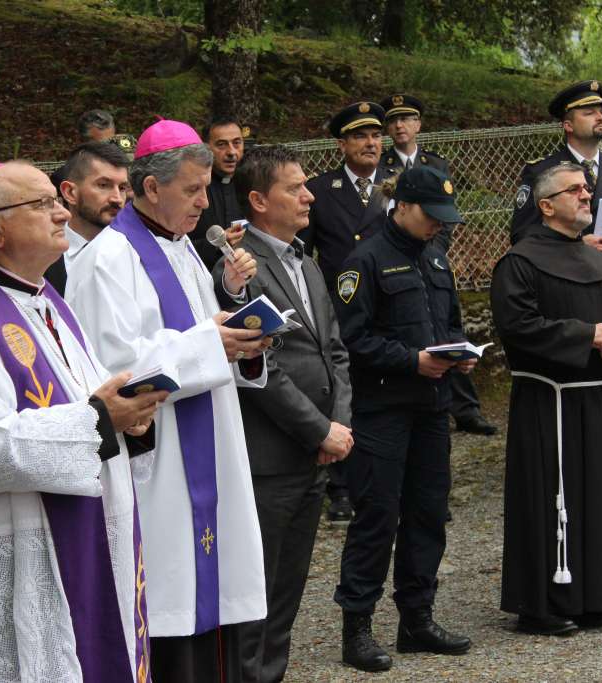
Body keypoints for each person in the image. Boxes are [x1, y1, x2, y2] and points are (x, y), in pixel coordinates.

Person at [0, 161, 164, 681]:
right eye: (42, 204)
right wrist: (100, 420)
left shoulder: (47, 301)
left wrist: (126, 418)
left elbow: (86, 399)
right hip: (5, 549)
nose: (61, 212)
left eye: (56, 201)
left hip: (79, 532)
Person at [65, 119, 271, 683]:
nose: (205, 202)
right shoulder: (108, 258)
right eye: (193, 190)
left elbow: (199, 335)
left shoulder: (182, 249)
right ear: (152, 188)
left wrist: (242, 342)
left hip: (205, 447)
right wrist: (213, 342)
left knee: (210, 611)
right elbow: (116, 368)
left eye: (206, 189)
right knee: (167, 611)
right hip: (159, 465)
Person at [211, 145, 353, 682]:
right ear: (258, 200)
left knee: (288, 593)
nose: (308, 196)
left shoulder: (306, 262)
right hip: (268, 458)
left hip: (313, 454)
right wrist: (319, 429)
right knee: (256, 595)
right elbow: (258, 366)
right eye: (294, 188)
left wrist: (337, 425)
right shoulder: (240, 266)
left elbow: (333, 351)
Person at [333, 166, 474, 672]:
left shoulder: (435, 257)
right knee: (377, 516)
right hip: (384, 409)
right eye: (432, 216)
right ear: (404, 207)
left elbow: (449, 322)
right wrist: (411, 361)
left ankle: (417, 618)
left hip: (432, 407)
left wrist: (459, 353)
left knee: (428, 513)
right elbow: (354, 340)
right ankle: (357, 627)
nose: (439, 225)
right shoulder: (365, 260)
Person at [492, 163, 602, 636]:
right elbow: (518, 326)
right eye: (574, 190)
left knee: (593, 495)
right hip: (546, 399)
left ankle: (593, 595)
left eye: (586, 188)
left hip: (594, 396)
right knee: (547, 496)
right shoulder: (520, 262)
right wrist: (584, 335)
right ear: (546, 206)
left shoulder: (599, 260)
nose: (585, 194)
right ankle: (542, 604)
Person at [379, 93, 496, 437]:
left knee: (447, 330)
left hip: (432, 256)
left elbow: (446, 214)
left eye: (406, 119)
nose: (399, 126)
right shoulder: (382, 165)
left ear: (418, 124)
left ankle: (466, 408)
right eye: (393, 120)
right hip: (397, 257)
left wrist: (435, 251)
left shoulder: (436, 164)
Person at [299, 101, 389, 524]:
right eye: (359, 136)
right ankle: (341, 486)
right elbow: (303, 253)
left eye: (375, 135)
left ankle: (384, 479)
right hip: (340, 309)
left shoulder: (397, 184)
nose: (370, 143)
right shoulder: (321, 189)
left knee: (384, 396)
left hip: (387, 305)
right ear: (342, 144)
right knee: (341, 394)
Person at [510, 80, 602, 267]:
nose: (600, 117)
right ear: (568, 125)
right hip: (565, 275)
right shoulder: (542, 171)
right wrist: (575, 245)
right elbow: (522, 234)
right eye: (589, 113)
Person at [45, 141, 131, 295]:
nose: (117, 198)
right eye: (103, 185)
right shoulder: (39, 257)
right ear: (70, 192)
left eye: (122, 188)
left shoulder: (140, 251)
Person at [193, 116, 247, 271]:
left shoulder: (253, 184)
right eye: (221, 145)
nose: (231, 152)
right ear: (206, 148)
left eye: (237, 143)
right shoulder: (194, 190)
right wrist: (217, 244)